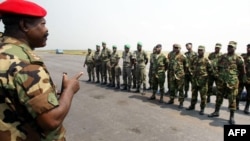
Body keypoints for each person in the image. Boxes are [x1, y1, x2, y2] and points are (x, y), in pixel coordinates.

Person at [0, 0, 83, 140]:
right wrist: (69, 90)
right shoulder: (25, 65)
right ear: (24, 25)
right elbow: (51, 121)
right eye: (42, 24)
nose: (47, 30)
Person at [208, 41, 245, 125]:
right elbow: (214, 64)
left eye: (231, 47)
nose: (229, 48)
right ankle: (216, 112)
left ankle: (231, 117)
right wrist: (216, 74)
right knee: (219, 97)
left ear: (235, 48)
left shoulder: (238, 58)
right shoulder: (223, 56)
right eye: (228, 46)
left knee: (232, 99)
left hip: (232, 83)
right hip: (221, 81)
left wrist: (237, 78)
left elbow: (242, 70)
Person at [186, 46, 213, 115]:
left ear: (204, 51)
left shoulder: (206, 60)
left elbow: (210, 71)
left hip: (203, 81)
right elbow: (190, 66)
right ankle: (192, 106)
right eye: (199, 50)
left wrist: (206, 78)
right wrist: (192, 73)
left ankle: (202, 109)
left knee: (203, 96)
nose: (200, 51)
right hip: (195, 80)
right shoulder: (194, 59)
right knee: (194, 94)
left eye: (201, 50)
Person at [167, 44, 187, 108]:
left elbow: (186, 66)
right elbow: (169, 63)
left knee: (180, 89)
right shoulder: (171, 54)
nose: (176, 49)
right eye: (175, 48)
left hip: (180, 75)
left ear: (180, 48)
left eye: (177, 48)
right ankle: (171, 99)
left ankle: (181, 102)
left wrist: (183, 73)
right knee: (172, 88)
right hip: (172, 74)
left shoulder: (183, 56)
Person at [236, 44, 250, 114]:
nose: (248, 49)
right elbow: (238, 66)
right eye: (248, 48)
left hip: (249, 79)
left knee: (249, 94)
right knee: (238, 92)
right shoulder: (242, 56)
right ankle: (236, 105)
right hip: (241, 78)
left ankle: (246, 108)